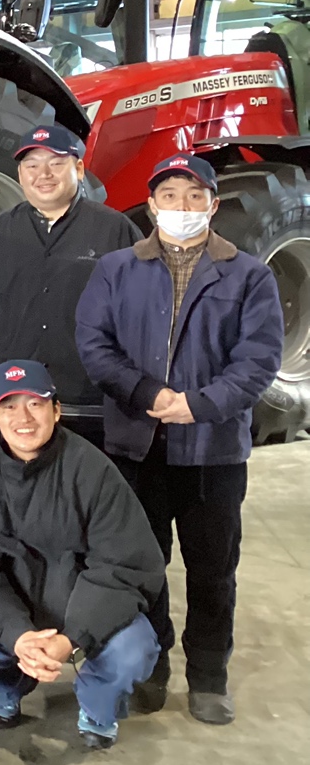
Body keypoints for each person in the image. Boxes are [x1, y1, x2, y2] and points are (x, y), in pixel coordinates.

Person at [76, 153, 283, 725]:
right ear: (151, 206)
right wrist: (148, 393)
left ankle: (209, 676)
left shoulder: (249, 276)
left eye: (194, 196)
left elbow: (258, 359)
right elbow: (94, 343)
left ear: (213, 206)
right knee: (144, 566)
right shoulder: (116, 269)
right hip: (136, 445)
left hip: (213, 450)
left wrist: (199, 405)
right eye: (169, 196)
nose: (182, 206)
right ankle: (152, 668)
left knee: (212, 568)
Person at [0, 360, 165, 750]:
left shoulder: (92, 470)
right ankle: (5, 690)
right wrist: (17, 636)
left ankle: (98, 707)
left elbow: (124, 564)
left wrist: (72, 637)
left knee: (134, 649)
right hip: (12, 608)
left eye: (35, 403)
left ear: (56, 410)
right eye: (9, 406)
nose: (23, 418)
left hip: (81, 605)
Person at [0, 124, 140, 448]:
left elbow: (143, 313)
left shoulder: (115, 231)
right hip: (17, 402)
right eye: (32, 165)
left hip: (90, 405)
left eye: (56, 163)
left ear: (79, 169)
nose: (43, 174)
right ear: (20, 174)